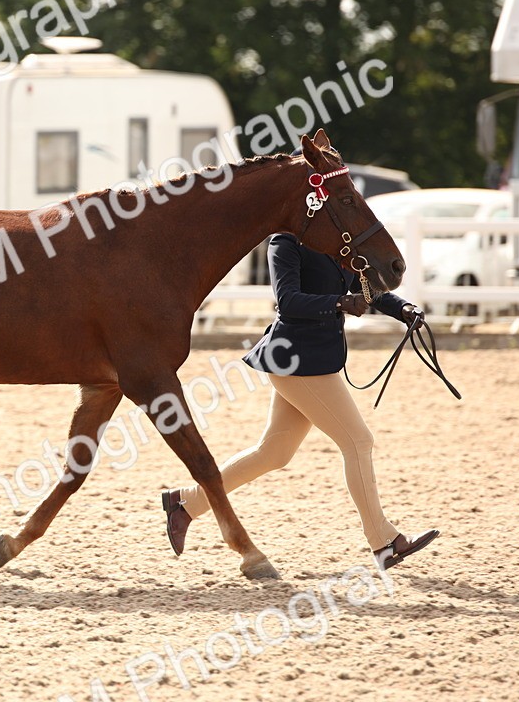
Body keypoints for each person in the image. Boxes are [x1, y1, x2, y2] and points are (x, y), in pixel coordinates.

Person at [161, 173, 438, 571]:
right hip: (294, 359)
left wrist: (401, 309)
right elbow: (287, 301)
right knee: (358, 442)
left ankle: (184, 503)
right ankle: (384, 542)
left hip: (317, 358)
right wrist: (340, 303)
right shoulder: (285, 241)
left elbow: (369, 285)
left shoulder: (336, 241)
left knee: (273, 453)